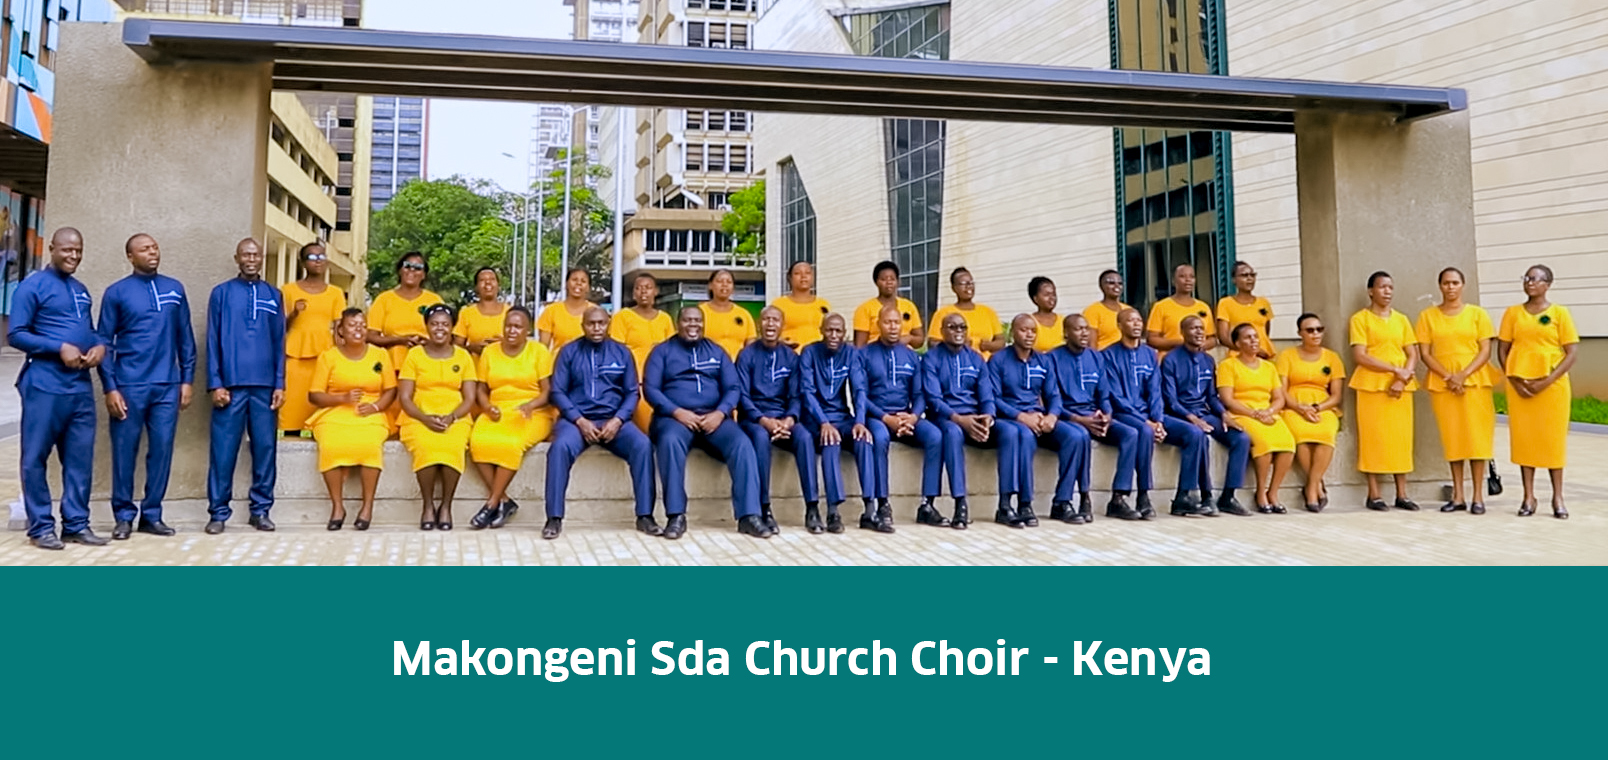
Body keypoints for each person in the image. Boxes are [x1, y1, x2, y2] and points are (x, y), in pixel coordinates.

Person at [10, 228, 108, 550]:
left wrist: (98, 347)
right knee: (35, 457)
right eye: (67, 250)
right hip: (45, 384)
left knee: (80, 459)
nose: (73, 256)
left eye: (78, 250)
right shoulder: (32, 286)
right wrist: (58, 347)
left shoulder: (81, 289)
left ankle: (76, 524)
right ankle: (40, 528)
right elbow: (16, 334)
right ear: (51, 248)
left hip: (79, 386)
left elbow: (90, 331)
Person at [96, 233, 195, 540]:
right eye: (144, 249)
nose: (152, 252)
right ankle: (123, 517)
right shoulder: (116, 292)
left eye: (155, 247)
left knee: (162, 450)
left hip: (167, 386)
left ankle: (152, 515)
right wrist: (110, 387)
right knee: (124, 453)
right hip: (129, 385)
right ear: (130, 256)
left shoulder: (175, 289)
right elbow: (103, 342)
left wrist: (187, 379)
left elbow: (186, 338)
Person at [645, 306, 772, 539]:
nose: (693, 325)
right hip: (675, 420)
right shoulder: (662, 352)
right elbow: (651, 389)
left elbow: (733, 388)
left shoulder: (717, 351)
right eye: (687, 320)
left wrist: (720, 413)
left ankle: (749, 515)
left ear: (704, 324)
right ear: (677, 323)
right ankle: (676, 516)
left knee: (742, 444)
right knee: (670, 442)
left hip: (714, 418)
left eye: (697, 320)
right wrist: (677, 412)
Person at [548, 307, 658, 539]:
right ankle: (554, 518)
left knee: (642, 445)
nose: (596, 328)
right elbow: (557, 391)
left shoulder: (622, 352)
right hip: (576, 421)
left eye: (601, 323)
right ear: (583, 326)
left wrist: (618, 420)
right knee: (559, 448)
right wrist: (579, 420)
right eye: (591, 324)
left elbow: (632, 392)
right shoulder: (568, 352)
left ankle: (645, 516)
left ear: (608, 324)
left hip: (614, 420)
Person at [205, 238, 286, 534]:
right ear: (237, 258)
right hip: (231, 386)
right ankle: (218, 513)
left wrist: (280, 384)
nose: (251, 259)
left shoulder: (273, 295)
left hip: (264, 388)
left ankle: (260, 510)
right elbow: (212, 340)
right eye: (246, 254)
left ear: (262, 258)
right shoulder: (222, 293)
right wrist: (215, 383)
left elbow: (280, 341)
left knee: (265, 450)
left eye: (256, 254)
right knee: (223, 452)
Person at [990, 314, 1086, 527]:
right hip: (1011, 419)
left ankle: (1062, 502)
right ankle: (1020, 504)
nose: (1029, 335)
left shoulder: (1043, 361)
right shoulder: (998, 360)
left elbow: (1054, 395)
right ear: (1012, 333)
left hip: (1040, 418)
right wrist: (1021, 417)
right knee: (1024, 435)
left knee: (1076, 436)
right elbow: (993, 399)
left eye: (1033, 331)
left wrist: (1052, 416)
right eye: (1024, 330)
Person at [924, 312, 1018, 529]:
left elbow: (986, 395)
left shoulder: (976, 358)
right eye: (952, 327)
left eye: (962, 327)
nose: (958, 331)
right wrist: (959, 419)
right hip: (946, 417)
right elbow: (934, 399)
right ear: (942, 331)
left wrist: (988, 417)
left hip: (975, 417)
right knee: (953, 433)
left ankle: (1005, 505)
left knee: (1010, 432)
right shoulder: (931, 358)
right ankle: (960, 504)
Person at [1498, 264, 1578, 520]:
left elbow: (1571, 353)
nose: (1529, 282)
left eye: (1535, 279)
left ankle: (1558, 497)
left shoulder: (1559, 313)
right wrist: (1514, 380)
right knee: (1526, 440)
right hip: (1520, 387)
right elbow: (1503, 350)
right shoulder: (1512, 313)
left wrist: (1548, 380)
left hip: (1552, 387)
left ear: (1548, 284)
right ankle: (1528, 496)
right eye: (1527, 278)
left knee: (1553, 441)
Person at [1416, 267, 1498, 515]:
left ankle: (1478, 496)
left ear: (1463, 285)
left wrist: (1463, 375)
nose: (1450, 287)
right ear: (1439, 286)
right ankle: (1458, 495)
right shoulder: (1428, 316)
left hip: (1475, 381)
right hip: (1444, 384)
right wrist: (1448, 376)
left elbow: (1485, 350)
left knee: (1476, 438)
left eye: (1455, 283)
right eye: (1446, 283)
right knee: (1453, 439)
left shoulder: (1477, 314)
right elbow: (1425, 353)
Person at [306, 308, 395, 531]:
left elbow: (391, 390)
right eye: (352, 325)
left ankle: (367, 507)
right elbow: (314, 395)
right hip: (335, 411)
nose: (359, 329)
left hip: (371, 411)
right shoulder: (329, 357)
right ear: (341, 330)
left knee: (370, 445)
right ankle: (338, 507)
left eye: (363, 325)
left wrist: (375, 407)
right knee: (330, 445)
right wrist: (341, 398)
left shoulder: (380, 355)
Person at [863, 305, 950, 527]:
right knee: (879, 438)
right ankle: (882, 503)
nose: (893, 327)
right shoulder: (864, 354)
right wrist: (886, 418)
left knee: (935, 436)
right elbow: (860, 396)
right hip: (877, 417)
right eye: (887, 322)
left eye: (897, 322)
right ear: (878, 324)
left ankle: (927, 505)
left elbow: (919, 394)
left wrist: (913, 416)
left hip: (906, 416)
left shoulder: (911, 356)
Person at [468, 307, 553, 530]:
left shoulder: (538, 351)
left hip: (532, 411)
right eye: (508, 326)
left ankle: (491, 503)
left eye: (517, 327)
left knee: (512, 444)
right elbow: (481, 389)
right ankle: (504, 501)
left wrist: (530, 405)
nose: (511, 331)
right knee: (477, 442)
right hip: (497, 408)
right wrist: (487, 406)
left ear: (528, 330)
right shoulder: (490, 352)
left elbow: (547, 391)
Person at [1159, 315, 1250, 517]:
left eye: (1201, 328)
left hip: (1204, 414)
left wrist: (1224, 414)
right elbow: (1171, 401)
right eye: (1193, 328)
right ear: (1183, 332)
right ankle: (1198, 495)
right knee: (1198, 435)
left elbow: (1211, 396)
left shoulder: (1208, 360)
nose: (1199, 332)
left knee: (1241, 438)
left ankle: (1228, 497)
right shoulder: (1171, 360)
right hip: (1179, 415)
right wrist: (1192, 418)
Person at [799, 313, 883, 533]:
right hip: (816, 419)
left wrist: (860, 421)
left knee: (864, 440)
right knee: (831, 441)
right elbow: (807, 393)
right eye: (829, 330)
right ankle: (833, 512)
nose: (834, 335)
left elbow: (859, 390)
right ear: (821, 331)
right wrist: (824, 422)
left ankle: (870, 510)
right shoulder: (809, 352)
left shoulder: (851, 353)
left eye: (838, 331)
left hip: (842, 417)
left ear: (845, 333)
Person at [1051, 313, 1137, 524]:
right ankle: (1073, 499)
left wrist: (1106, 416)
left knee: (1130, 434)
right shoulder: (1052, 358)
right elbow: (1052, 400)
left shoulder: (1096, 357)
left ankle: (1118, 498)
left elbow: (1103, 395)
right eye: (1078, 329)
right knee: (1079, 436)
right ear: (1066, 333)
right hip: (1068, 418)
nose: (1084, 333)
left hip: (1095, 416)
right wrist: (1080, 420)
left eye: (1086, 329)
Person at [397, 304, 477, 531]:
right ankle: (428, 505)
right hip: (418, 415)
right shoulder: (414, 355)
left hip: (456, 415)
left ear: (452, 328)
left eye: (445, 324)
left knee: (453, 446)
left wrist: (452, 417)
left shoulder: (463, 356)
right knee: (426, 446)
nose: (439, 329)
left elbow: (469, 398)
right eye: (434, 324)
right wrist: (424, 418)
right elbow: (405, 397)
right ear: (426, 327)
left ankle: (446, 506)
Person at [736, 306, 815, 534]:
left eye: (775, 320)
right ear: (759, 325)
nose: (770, 324)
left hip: (783, 418)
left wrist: (789, 420)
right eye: (766, 319)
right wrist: (764, 421)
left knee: (804, 437)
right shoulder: (746, 355)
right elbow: (742, 396)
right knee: (761, 438)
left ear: (782, 326)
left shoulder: (790, 357)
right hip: (754, 419)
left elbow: (796, 395)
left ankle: (812, 507)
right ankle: (764, 508)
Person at [1349, 271, 1420, 511]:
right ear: (1371, 291)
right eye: (1382, 287)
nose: (1387, 291)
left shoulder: (1401, 319)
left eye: (1390, 287)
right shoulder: (1360, 319)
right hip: (1371, 385)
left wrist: (1403, 377)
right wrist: (1394, 370)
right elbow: (1360, 355)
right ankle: (1374, 493)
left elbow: (1412, 353)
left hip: (1401, 387)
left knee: (1401, 439)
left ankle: (1402, 493)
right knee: (1374, 438)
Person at [1218, 323, 1298, 513]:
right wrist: (1255, 414)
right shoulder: (1228, 366)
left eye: (1255, 336)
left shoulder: (1269, 367)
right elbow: (1228, 399)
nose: (1254, 340)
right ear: (1238, 343)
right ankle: (1261, 492)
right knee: (1265, 444)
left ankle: (1273, 492)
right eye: (1248, 337)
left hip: (1267, 413)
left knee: (1288, 445)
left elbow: (1279, 398)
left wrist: (1269, 412)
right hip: (1242, 413)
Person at [1101, 308, 1168, 520]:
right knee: (1143, 431)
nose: (1137, 324)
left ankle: (1142, 496)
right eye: (1130, 320)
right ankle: (1131, 496)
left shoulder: (1150, 354)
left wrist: (1158, 420)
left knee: (1149, 430)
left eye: (1139, 320)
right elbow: (1115, 395)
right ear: (1119, 326)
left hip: (1146, 414)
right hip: (1122, 413)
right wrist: (1146, 422)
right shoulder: (1108, 355)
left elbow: (1155, 390)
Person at [1276, 313, 1345, 512]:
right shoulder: (1287, 355)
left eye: (1319, 329)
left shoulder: (1332, 358)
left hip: (1323, 405)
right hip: (1293, 404)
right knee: (1300, 434)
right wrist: (1300, 408)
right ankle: (1317, 488)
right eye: (1310, 330)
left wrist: (1316, 408)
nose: (1315, 334)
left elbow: (1336, 395)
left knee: (1326, 433)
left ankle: (1312, 487)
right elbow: (1281, 390)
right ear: (1300, 333)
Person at [367, 252, 443, 425]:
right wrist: (400, 340)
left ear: (424, 275)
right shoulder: (384, 299)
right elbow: (370, 336)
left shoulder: (434, 300)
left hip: (426, 367)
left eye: (418, 268)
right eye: (407, 266)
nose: (412, 271)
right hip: (392, 366)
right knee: (392, 414)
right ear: (400, 270)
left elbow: (446, 335)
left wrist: (427, 342)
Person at [279, 242, 345, 434]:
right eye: (313, 257)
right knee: (293, 403)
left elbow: (340, 327)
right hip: (295, 355)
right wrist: (294, 314)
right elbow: (279, 327)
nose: (318, 261)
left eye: (322, 257)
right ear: (303, 262)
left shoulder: (335, 293)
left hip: (324, 354)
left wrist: (343, 355)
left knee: (321, 402)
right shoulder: (288, 290)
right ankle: (290, 437)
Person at [610, 272, 675, 431]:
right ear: (634, 293)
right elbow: (616, 351)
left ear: (656, 291)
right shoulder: (623, 317)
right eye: (638, 288)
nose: (643, 291)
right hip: (634, 381)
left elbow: (672, 352)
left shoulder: (665, 319)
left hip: (660, 381)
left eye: (648, 287)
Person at [927, 267, 1003, 355]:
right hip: (955, 360)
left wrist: (989, 346)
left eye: (971, 283)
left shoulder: (988, 311)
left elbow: (1001, 341)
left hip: (986, 362)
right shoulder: (943, 313)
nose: (968, 286)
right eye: (963, 283)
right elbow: (933, 343)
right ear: (953, 288)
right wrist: (956, 344)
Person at [1146, 263, 1216, 357]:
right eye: (1182, 276)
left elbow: (1212, 338)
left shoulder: (1203, 307)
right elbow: (1152, 339)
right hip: (1169, 359)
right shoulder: (1161, 306)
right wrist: (1182, 343)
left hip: (1197, 359)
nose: (1188, 280)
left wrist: (1202, 345)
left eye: (1191, 276)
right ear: (1173, 280)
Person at [853, 260, 924, 348]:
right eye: (884, 279)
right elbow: (860, 346)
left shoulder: (909, 306)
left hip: (903, 353)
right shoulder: (865, 308)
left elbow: (920, 340)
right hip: (875, 354)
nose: (889, 282)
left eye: (892, 279)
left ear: (898, 282)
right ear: (876, 282)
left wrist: (908, 338)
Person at [1215, 261, 1273, 358]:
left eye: (1252, 275)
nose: (1249, 278)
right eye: (1244, 275)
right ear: (1234, 280)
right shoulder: (1226, 303)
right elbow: (1223, 337)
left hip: (1264, 355)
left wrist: (1259, 351)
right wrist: (1249, 351)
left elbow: (1265, 332)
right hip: (1238, 356)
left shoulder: (1263, 302)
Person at [771, 260, 830, 349]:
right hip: (790, 353)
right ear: (790, 278)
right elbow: (770, 332)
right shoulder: (778, 304)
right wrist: (780, 341)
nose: (803, 276)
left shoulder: (823, 304)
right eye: (797, 273)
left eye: (808, 273)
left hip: (818, 354)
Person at [700, 268, 756, 360]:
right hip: (708, 364)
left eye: (729, 282)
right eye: (720, 281)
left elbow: (751, 345)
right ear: (710, 285)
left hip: (737, 365)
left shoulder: (743, 314)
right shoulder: (700, 313)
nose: (724, 285)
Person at [453, 267, 510, 356]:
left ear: (498, 285)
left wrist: (506, 344)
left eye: (492, 279)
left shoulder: (511, 312)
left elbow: (523, 345)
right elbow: (456, 348)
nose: (488, 282)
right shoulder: (466, 313)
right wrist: (471, 348)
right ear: (476, 287)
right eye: (482, 280)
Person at [538, 267, 597, 352]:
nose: (578, 283)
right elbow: (543, 349)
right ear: (566, 284)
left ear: (588, 287)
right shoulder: (551, 311)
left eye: (583, 281)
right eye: (574, 280)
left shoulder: (595, 312)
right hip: (559, 359)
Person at [1082, 269, 1132, 350]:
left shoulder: (1129, 310)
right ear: (1101, 286)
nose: (1116, 286)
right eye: (1111, 283)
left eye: (1120, 283)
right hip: (1104, 355)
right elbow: (1091, 345)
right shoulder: (1092, 311)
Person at [1026, 276, 1064, 353]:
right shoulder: (1028, 322)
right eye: (1046, 294)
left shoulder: (1064, 320)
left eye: (1054, 294)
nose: (1052, 298)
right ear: (1035, 299)